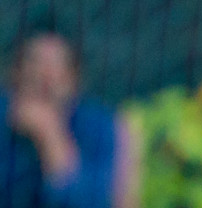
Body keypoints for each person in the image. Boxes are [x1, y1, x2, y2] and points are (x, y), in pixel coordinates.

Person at [0, 26, 137, 208]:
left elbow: (96, 202)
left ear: (74, 77)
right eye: (35, 62)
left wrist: (50, 137)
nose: (45, 75)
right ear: (15, 71)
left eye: (57, 65)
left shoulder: (100, 125)